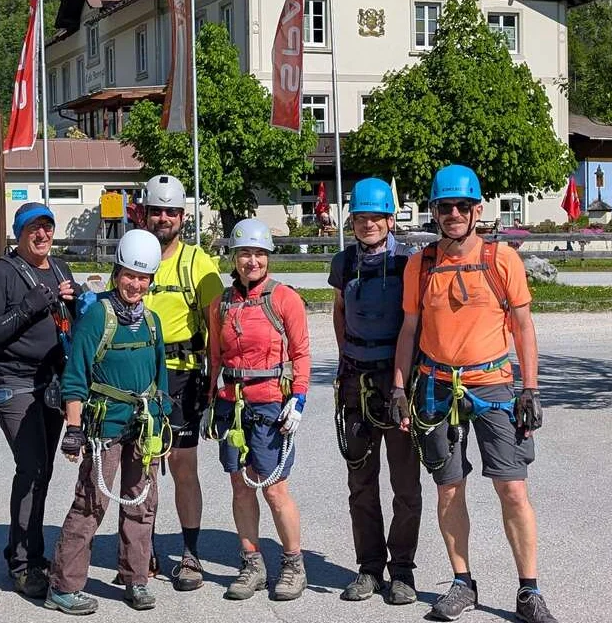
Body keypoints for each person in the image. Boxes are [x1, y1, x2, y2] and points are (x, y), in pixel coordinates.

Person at [391, 164, 551, 622]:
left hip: (495, 387)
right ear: (435, 211)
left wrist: (530, 388)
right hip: (437, 387)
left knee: (513, 489)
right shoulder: (420, 265)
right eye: (446, 207)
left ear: (478, 209)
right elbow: (409, 328)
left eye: (463, 206)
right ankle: (462, 582)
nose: (455, 213)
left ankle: (529, 590)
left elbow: (523, 326)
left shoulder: (502, 260)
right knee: (448, 490)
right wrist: (400, 388)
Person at [45, 229, 172, 615]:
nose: (135, 284)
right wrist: (74, 428)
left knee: (141, 503)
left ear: (151, 281)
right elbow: (76, 376)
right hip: (105, 428)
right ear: (116, 273)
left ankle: (135, 579)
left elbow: (159, 375)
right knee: (91, 502)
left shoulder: (151, 321)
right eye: (129, 275)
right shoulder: (98, 316)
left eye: (143, 277)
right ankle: (63, 587)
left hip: (144, 427)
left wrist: (162, 421)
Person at [0, 202, 78, 599]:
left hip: (52, 384)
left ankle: (28, 551)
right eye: (34, 229)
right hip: (14, 382)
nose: (42, 234)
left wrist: (77, 303)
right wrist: (29, 308)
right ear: (18, 234)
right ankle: (22, 565)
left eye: (47, 227)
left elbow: (70, 324)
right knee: (31, 467)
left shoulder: (61, 269)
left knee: (42, 471)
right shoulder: (1, 274)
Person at [204, 218, 310, 602]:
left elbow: (301, 353)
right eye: (246, 253)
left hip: (271, 404)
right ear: (234, 257)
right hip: (232, 405)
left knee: (274, 488)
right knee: (239, 483)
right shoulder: (222, 304)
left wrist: (298, 398)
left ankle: (293, 563)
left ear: (269, 257)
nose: (253, 261)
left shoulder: (284, 299)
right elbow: (215, 358)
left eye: (260, 254)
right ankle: (251, 563)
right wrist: (210, 401)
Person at [329, 178, 421, 605]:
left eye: (376, 217)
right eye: (361, 217)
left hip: (397, 382)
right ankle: (369, 568)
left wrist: (408, 380)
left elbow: (416, 322)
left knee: (405, 483)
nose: (368, 224)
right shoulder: (344, 262)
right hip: (356, 382)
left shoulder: (409, 263)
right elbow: (340, 312)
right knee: (361, 481)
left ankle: (402, 568)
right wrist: (347, 358)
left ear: (390, 218)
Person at [138, 174, 224, 590]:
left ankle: (190, 554)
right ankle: (143, 547)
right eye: (157, 210)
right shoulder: (134, 254)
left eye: (172, 211)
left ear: (182, 216)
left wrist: (214, 379)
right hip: (138, 375)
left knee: (183, 467)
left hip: (182, 376)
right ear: (145, 213)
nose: (164, 218)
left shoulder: (196, 261)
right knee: (144, 467)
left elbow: (217, 323)